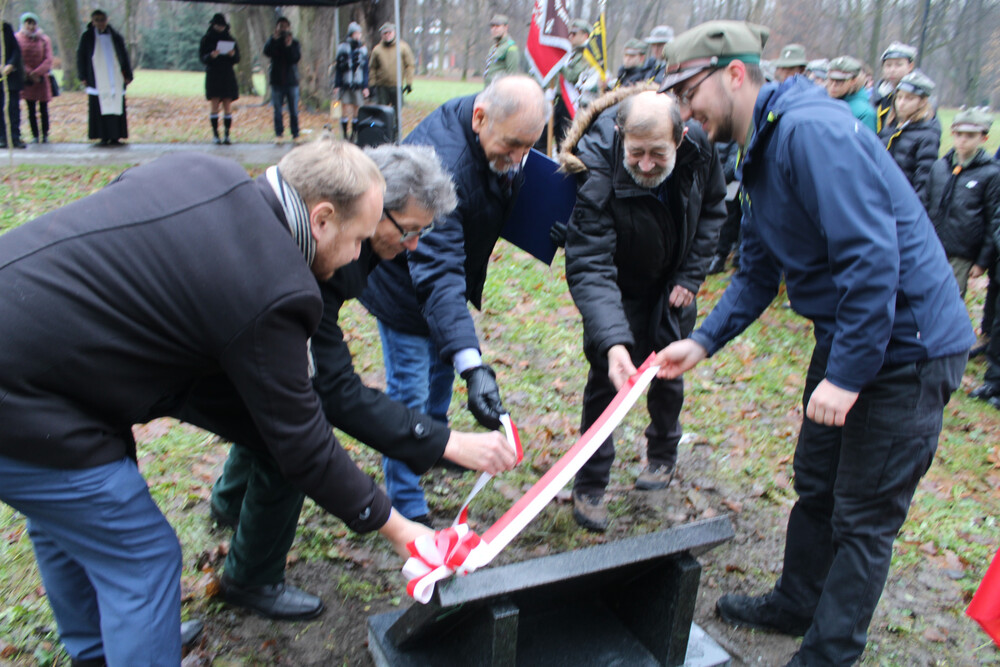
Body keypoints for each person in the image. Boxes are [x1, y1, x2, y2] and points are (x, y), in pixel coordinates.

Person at [0, 138, 432, 665]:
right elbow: (303, 445)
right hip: (24, 397)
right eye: (359, 239)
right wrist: (397, 526)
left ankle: (103, 647)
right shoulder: (276, 286)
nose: (358, 255)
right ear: (321, 220)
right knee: (143, 558)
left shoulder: (201, 170)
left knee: (65, 520)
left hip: (29, 340)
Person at [658, 20, 973, 667]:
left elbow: (871, 256)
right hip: (854, 334)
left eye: (689, 90)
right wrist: (705, 341)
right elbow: (757, 270)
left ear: (734, 74)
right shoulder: (763, 146)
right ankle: (797, 599)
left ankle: (827, 654)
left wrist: (849, 374)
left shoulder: (811, 131)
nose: (683, 109)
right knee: (817, 481)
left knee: (864, 513)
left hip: (908, 346)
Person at [209, 143, 518, 619]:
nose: (414, 245)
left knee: (268, 408)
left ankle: (229, 502)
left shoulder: (351, 240)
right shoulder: (318, 258)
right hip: (211, 346)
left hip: (232, 337)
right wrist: (445, 442)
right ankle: (252, 577)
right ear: (373, 209)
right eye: (409, 231)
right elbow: (333, 392)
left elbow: (437, 280)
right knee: (291, 436)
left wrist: (471, 366)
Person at [360, 75, 547, 522]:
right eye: (514, 145)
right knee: (410, 393)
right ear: (480, 118)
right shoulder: (446, 163)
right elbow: (438, 274)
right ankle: (404, 499)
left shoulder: (486, 123)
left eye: (530, 147)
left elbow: (497, 183)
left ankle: (435, 447)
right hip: (402, 289)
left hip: (442, 287)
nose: (521, 159)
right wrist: (475, 367)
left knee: (440, 376)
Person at [557, 87, 726, 532]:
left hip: (673, 287)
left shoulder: (699, 149)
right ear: (619, 135)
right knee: (605, 383)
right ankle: (590, 484)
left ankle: (663, 455)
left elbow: (712, 209)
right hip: (619, 287)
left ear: (680, 138)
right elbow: (591, 265)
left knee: (668, 377)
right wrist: (612, 339)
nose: (646, 165)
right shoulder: (594, 168)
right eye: (636, 153)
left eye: (657, 153)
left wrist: (691, 275)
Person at [924, 107, 999, 299]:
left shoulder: (991, 174)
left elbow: (993, 220)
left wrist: (982, 261)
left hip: (962, 253)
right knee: (925, 296)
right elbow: (925, 205)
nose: (962, 140)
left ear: (983, 138)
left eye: (970, 135)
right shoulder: (939, 167)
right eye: (958, 134)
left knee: (950, 300)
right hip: (933, 246)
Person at [878, 70, 940, 208]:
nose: (901, 103)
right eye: (899, 97)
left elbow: (923, 179)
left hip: (902, 204)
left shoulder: (927, 134)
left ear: (923, 101)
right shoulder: (889, 127)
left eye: (909, 98)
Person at [76, 9, 132, 147]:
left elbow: (124, 56)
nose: (100, 23)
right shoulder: (87, 37)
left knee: (115, 104)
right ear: (93, 21)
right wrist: (82, 75)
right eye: (97, 20)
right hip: (96, 77)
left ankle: (115, 135)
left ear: (106, 20)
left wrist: (128, 74)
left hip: (114, 76)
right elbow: (81, 57)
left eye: (102, 20)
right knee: (99, 105)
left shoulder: (116, 36)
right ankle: (102, 135)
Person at [199, 13, 240, 145]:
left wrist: (232, 55)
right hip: (214, 74)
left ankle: (227, 134)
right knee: (214, 104)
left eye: (222, 25)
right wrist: (211, 56)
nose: (220, 28)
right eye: (218, 25)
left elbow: (237, 58)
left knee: (228, 104)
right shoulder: (207, 39)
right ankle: (216, 134)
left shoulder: (230, 39)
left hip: (227, 74)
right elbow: (202, 58)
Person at [15, 13, 53, 144]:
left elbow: (48, 59)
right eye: (28, 23)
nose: (31, 26)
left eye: (33, 23)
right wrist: (29, 73)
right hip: (27, 80)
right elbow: (17, 58)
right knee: (30, 108)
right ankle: (35, 135)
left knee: (43, 108)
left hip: (41, 79)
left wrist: (38, 73)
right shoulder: (18, 39)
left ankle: (45, 134)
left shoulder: (44, 39)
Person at [263, 16, 301, 143]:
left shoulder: (294, 43)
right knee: (278, 109)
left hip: (291, 81)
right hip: (277, 80)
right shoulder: (273, 41)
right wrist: (274, 39)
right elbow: (267, 52)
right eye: (281, 26)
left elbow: (295, 58)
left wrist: (289, 45)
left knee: (294, 110)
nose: (283, 29)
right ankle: (279, 134)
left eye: (285, 26)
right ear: (277, 27)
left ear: (289, 27)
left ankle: (295, 134)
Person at [333, 22, 369, 139]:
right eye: (355, 33)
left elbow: (365, 70)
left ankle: (354, 133)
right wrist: (337, 85)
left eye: (359, 33)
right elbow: (338, 68)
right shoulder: (342, 48)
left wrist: (365, 86)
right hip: (345, 83)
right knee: (344, 107)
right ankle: (344, 133)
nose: (357, 36)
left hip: (358, 84)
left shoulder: (363, 49)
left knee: (357, 108)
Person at [369, 22, 415, 112]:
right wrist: (372, 84)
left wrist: (409, 82)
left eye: (389, 33)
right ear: (382, 35)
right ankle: (383, 126)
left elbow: (409, 65)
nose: (387, 35)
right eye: (385, 33)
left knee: (397, 111)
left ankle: (397, 126)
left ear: (394, 33)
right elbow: (372, 68)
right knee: (382, 112)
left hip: (397, 86)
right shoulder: (377, 50)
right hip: (382, 86)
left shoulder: (403, 47)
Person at [825, 56, 877, 132]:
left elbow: (863, 143)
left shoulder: (865, 113)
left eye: (840, 81)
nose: (833, 85)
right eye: (831, 79)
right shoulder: (823, 102)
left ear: (853, 81)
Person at [873, 41, 917, 133]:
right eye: (888, 65)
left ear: (910, 66)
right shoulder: (876, 95)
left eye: (898, 65)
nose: (892, 70)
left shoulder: (919, 96)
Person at [1, 20, 25, 149]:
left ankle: (14, 137)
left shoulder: (6, 28)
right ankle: (2, 137)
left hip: (11, 77)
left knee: (13, 108)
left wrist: (10, 64)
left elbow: (16, 50)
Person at [484, 14, 519, 85]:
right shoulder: (494, 47)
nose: (494, 29)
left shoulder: (511, 47)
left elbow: (512, 76)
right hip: (489, 89)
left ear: (506, 27)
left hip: (500, 91)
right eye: (492, 26)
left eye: (497, 26)